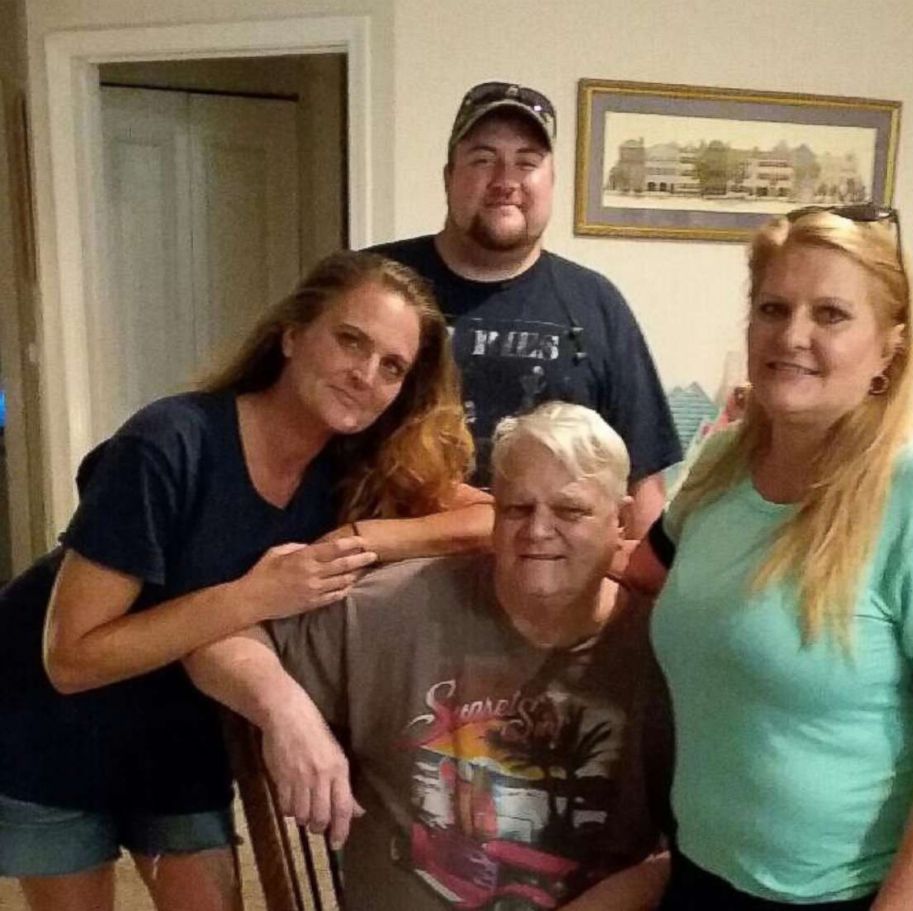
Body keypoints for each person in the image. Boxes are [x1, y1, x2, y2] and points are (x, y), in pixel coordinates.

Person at [0, 251, 493, 911]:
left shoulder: (354, 469)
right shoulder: (169, 442)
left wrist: (365, 538)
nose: (366, 374)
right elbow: (71, 657)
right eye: (351, 340)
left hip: (180, 721)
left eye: (392, 366)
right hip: (47, 718)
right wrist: (256, 596)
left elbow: (493, 518)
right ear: (293, 334)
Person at [627, 206, 913, 909]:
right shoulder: (726, 460)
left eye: (830, 314)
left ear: (889, 346)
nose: (792, 335)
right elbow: (646, 573)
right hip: (705, 876)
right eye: (773, 307)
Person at [186, 402, 674, 910]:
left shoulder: (670, 644)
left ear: (620, 521)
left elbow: (708, 846)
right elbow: (214, 638)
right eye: (517, 509)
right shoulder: (398, 605)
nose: (538, 531)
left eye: (569, 511)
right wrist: (285, 711)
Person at [370, 81, 682, 536]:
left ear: (551, 181)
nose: (505, 181)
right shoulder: (375, 283)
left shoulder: (598, 304)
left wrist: (646, 594)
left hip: (549, 584)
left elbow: (643, 480)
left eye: (527, 162)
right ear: (447, 177)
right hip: (388, 576)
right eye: (482, 159)